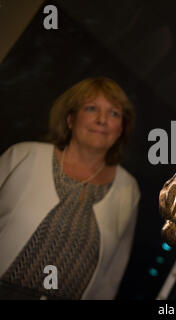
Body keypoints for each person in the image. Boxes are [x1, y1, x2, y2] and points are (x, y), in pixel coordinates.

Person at [0, 77, 140, 299]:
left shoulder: (128, 189)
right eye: (92, 108)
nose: (102, 120)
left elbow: (112, 274)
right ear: (70, 119)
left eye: (114, 113)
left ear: (121, 128)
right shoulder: (23, 155)